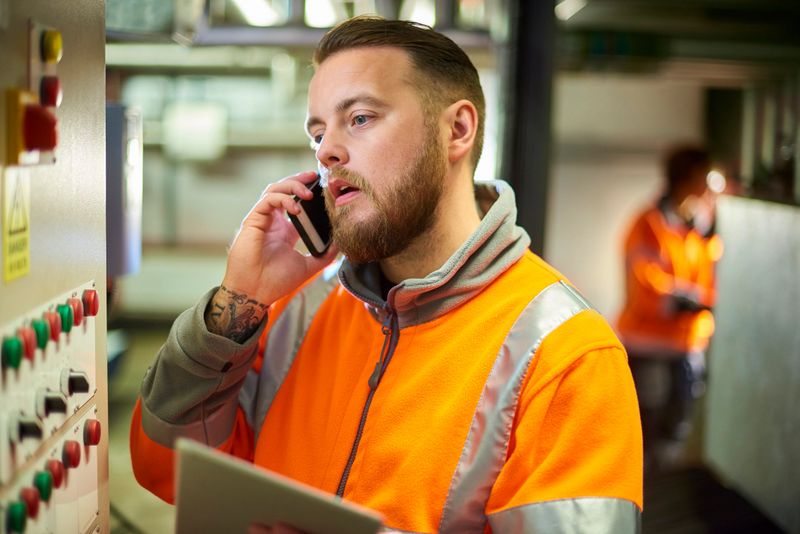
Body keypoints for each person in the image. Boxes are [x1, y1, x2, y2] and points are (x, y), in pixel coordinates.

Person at [130, 16, 642, 532]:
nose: (327, 150)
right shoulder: (296, 309)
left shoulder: (567, 356)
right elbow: (165, 466)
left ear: (456, 130)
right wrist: (239, 300)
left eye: (359, 118)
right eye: (317, 131)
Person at [616, 146, 723, 474]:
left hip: (687, 343)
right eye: (703, 178)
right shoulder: (649, 224)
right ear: (688, 178)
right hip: (649, 344)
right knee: (646, 427)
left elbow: (711, 272)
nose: (707, 186)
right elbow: (646, 282)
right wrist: (687, 299)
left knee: (677, 429)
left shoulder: (699, 226)